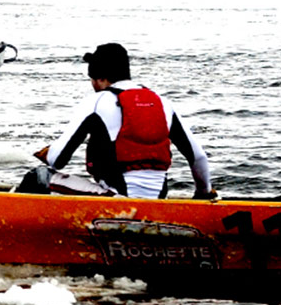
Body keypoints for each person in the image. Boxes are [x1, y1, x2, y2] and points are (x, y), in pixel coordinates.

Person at [34, 43, 213, 199]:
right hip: (158, 198)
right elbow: (198, 157)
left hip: (117, 199)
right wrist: (203, 194)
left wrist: (48, 154)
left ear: (100, 78)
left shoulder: (96, 101)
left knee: (38, 175)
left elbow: (57, 160)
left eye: (92, 79)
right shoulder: (162, 102)